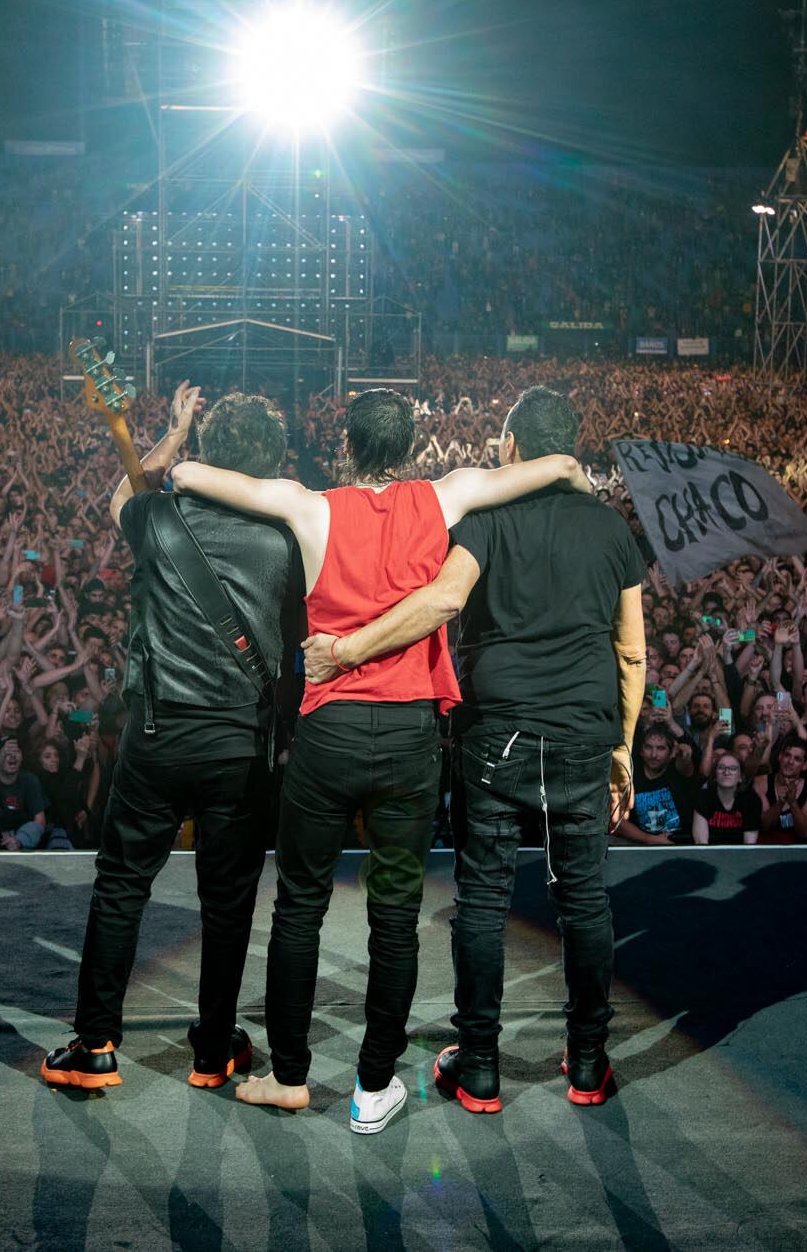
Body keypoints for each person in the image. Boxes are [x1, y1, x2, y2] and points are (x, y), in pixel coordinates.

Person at [170, 385, 588, 1133]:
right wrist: (570, 472)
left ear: (348, 445)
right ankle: (371, 1088)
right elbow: (551, 465)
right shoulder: (447, 494)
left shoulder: (308, 505)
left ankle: (290, 1076)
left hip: (327, 735)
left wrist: (176, 441)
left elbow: (191, 477)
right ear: (412, 449)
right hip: (409, 741)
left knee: (299, 906)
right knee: (395, 916)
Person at [301, 385, 644, 1111]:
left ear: (513, 447)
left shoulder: (488, 518)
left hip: (498, 730)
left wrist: (346, 650)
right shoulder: (612, 530)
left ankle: (480, 1066)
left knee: (484, 898)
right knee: (584, 898)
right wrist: (626, 748)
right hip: (585, 730)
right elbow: (634, 654)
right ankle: (587, 1062)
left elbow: (447, 598)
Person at [42, 384, 303, 1094]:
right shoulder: (286, 537)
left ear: (205, 454)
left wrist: (175, 426)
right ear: (269, 462)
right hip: (240, 743)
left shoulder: (157, 515)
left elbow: (125, 492)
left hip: (158, 736)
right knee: (228, 903)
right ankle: (213, 1050)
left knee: (122, 885)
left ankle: (95, 1045)